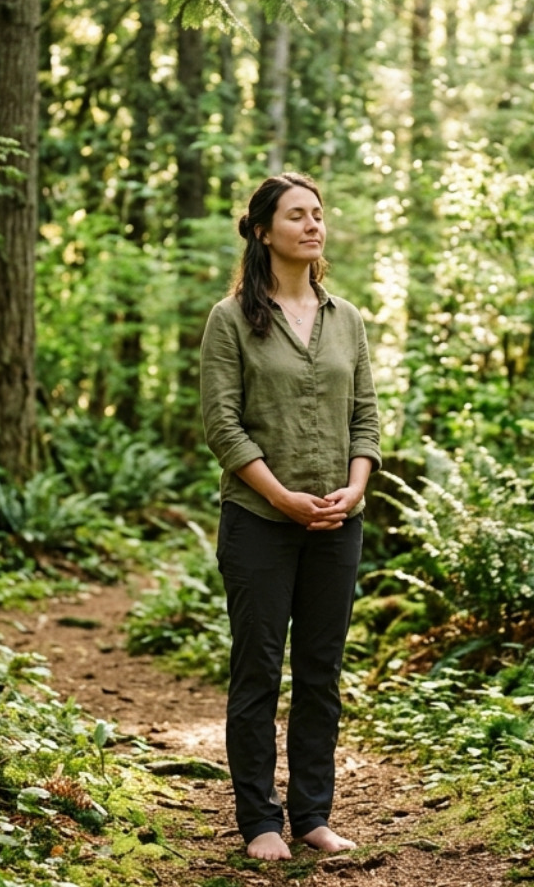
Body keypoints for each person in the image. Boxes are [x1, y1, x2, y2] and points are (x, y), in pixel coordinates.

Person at [199, 172, 381, 860]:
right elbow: (222, 424)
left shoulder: (349, 319)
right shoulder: (231, 319)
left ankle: (311, 815)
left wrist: (355, 488)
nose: (312, 225)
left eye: (318, 214)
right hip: (258, 522)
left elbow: (365, 417)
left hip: (338, 525)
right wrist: (280, 496)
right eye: (297, 215)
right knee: (258, 671)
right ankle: (260, 822)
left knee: (320, 671)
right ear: (261, 229)